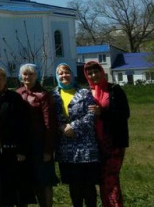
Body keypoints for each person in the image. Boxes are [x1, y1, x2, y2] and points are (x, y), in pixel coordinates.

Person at [0, 66, 34, 207]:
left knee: (16, 191)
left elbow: (24, 126)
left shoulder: (14, 98)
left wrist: (22, 150)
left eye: (0, 79)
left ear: (5, 80)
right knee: (1, 191)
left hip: (13, 152)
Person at [52, 63, 99, 207]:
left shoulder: (85, 93)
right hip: (66, 147)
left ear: (72, 74)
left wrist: (74, 127)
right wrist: (62, 128)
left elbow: (92, 114)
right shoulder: (53, 95)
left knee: (88, 185)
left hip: (85, 145)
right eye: (60, 73)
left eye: (66, 72)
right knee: (74, 186)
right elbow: (51, 117)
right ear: (56, 76)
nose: (63, 75)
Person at [84, 61, 130, 207]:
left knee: (110, 178)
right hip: (94, 143)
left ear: (102, 72)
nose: (93, 75)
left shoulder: (114, 90)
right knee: (101, 180)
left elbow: (125, 114)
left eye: (96, 72)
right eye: (90, 73)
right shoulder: (87, 92)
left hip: (113, 141)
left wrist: (102, 113)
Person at [16, 64, 59, 207]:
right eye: (25, 74)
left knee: (44, 182)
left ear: (37, 76)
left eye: (31, 74)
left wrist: (48, 149)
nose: (27, 77)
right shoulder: (18, 93)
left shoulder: (44, 95)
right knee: (27, 181)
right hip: (23, 145)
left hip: (40, 144)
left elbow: (49, 124)